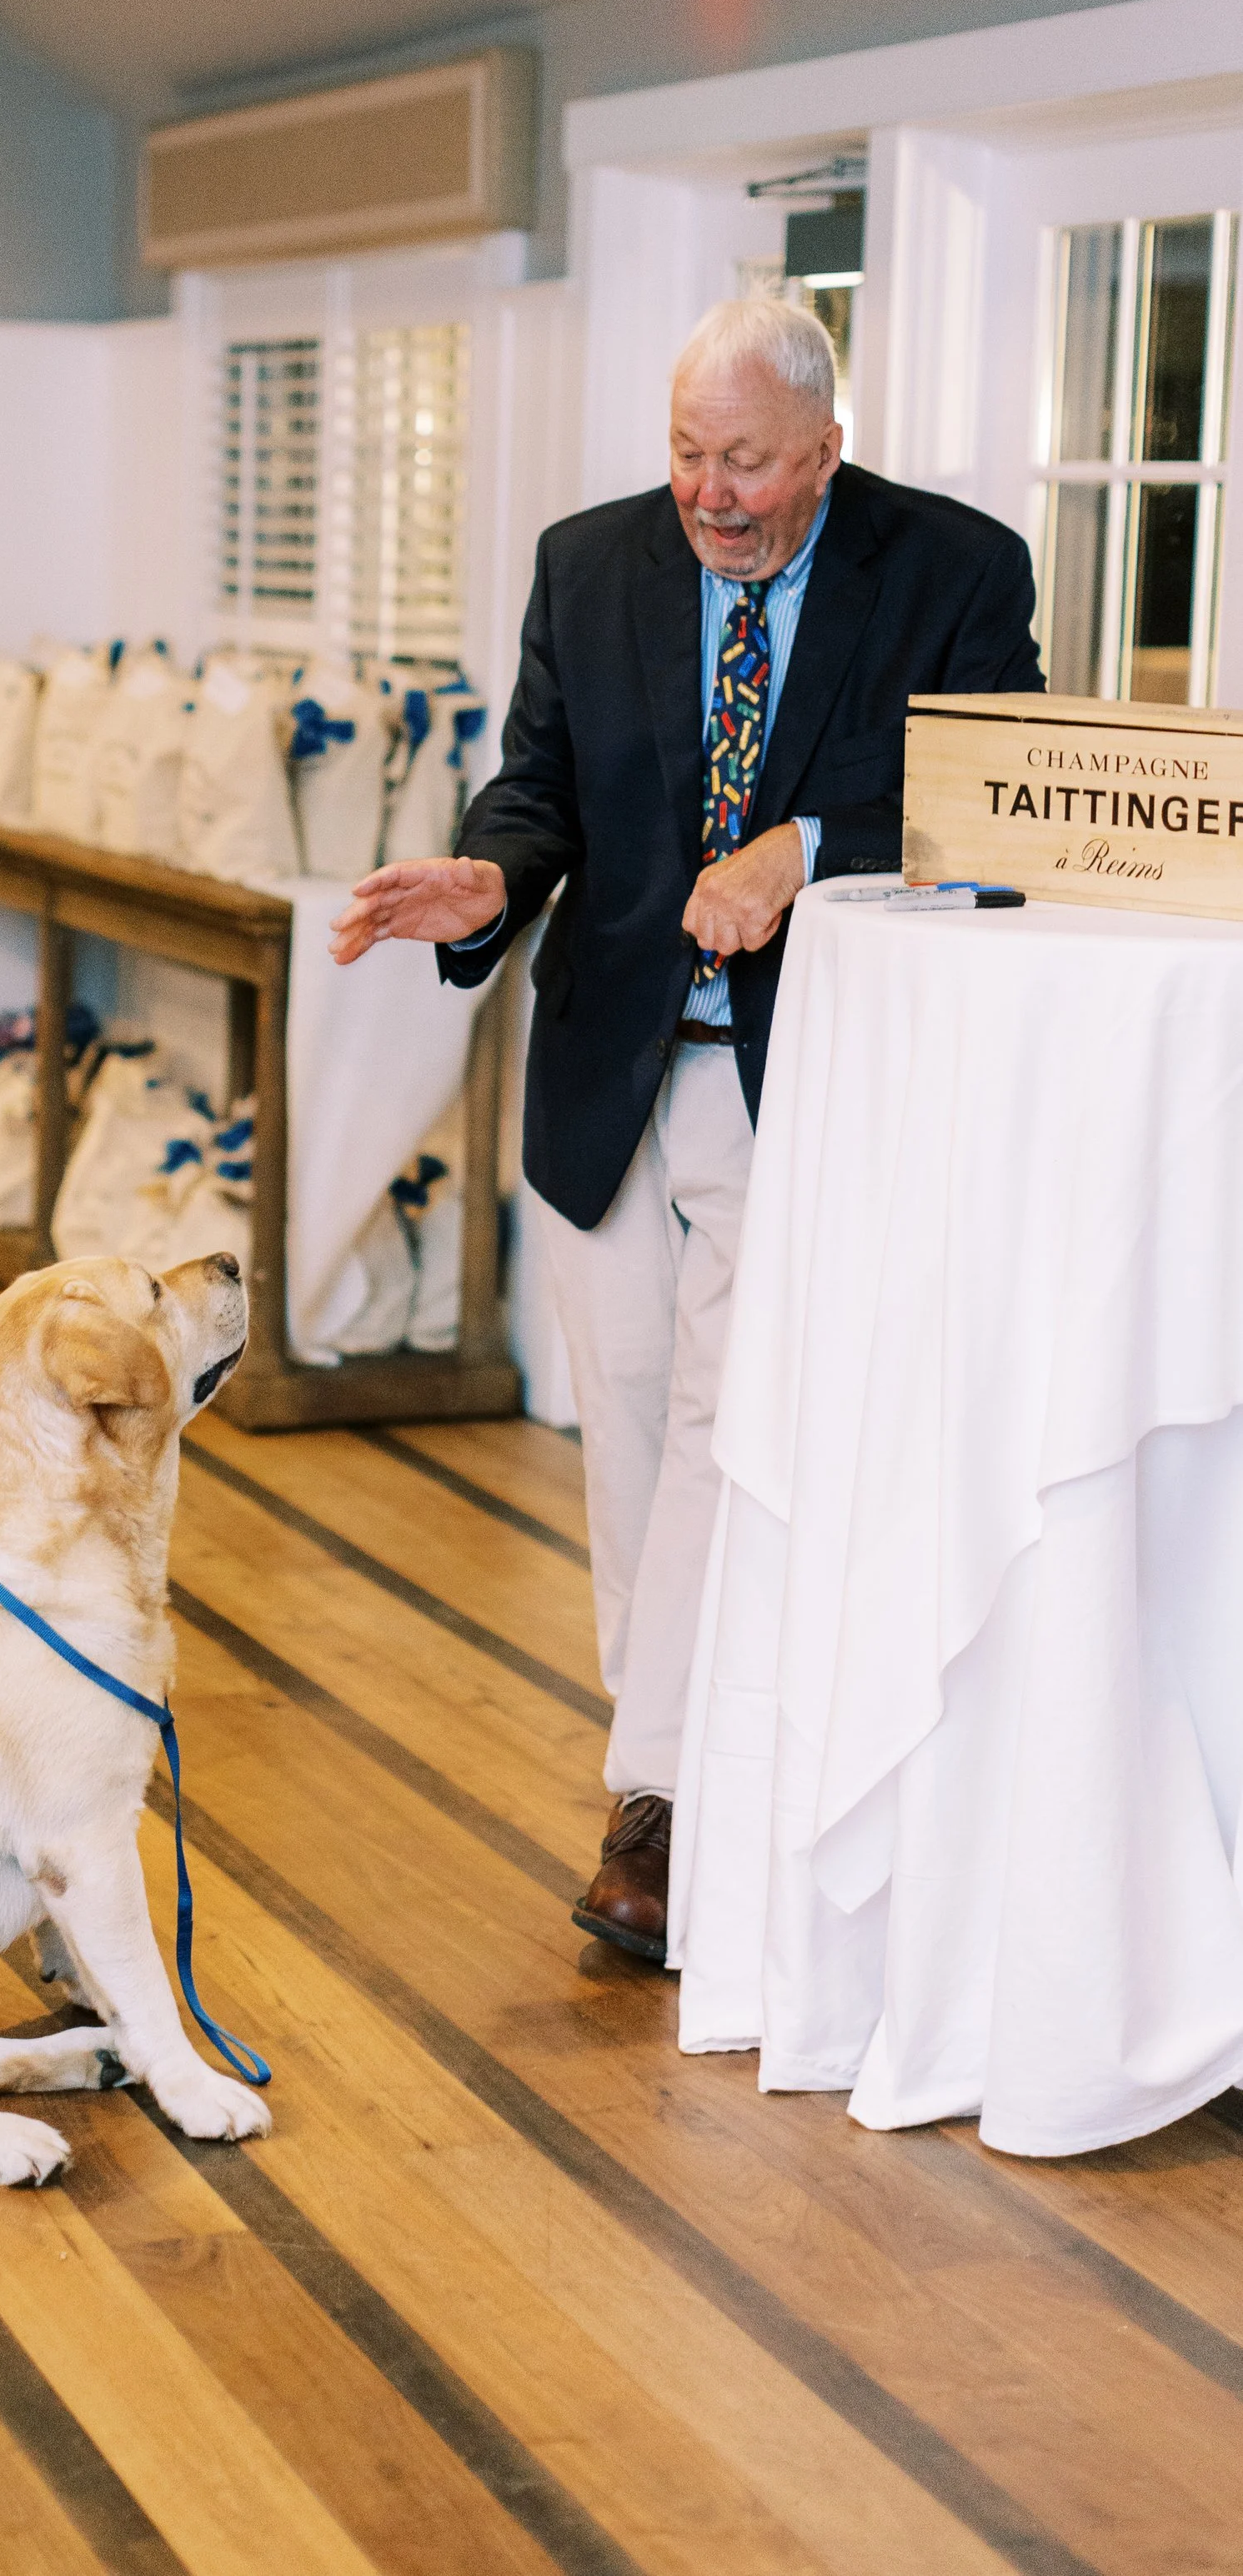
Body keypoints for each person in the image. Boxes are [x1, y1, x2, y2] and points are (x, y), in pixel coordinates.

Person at [330, 296, 1044, 1962]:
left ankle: (648, 1809)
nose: (708, 497)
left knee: (726, 1437)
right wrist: (488, 875)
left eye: (743, 464)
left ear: (822, 452)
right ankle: (691, 1761)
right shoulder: (590, 565)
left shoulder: (951, 571)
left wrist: (802, 841)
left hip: (795, 1075)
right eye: (683, 457)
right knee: (632, 1435)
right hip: (606, 1071)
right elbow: (542, 789)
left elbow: (978, 792)